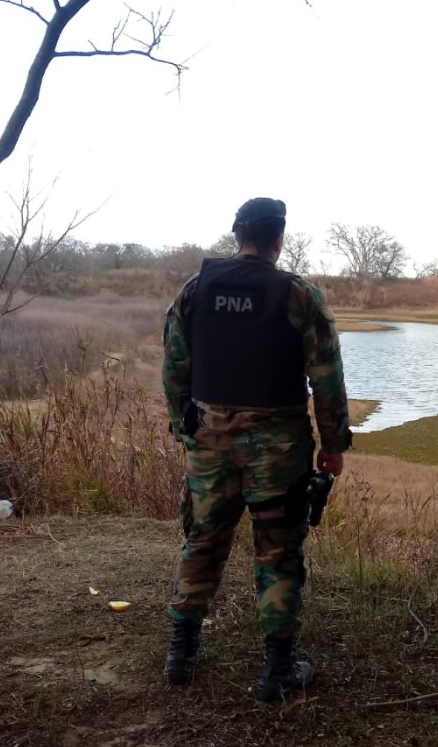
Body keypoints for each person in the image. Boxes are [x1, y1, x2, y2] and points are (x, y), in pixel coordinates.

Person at [160, 197, 351, 700]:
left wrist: (188, 433)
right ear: (279, 238)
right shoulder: (298, 295)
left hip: (209, 448)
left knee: (202, 540)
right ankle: (278, 670)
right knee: (277, 551)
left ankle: (180, 654)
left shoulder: (195, 291)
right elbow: (326, 378)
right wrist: (333, 445)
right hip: (279, 451)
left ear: (237, 234)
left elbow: (174, 371)